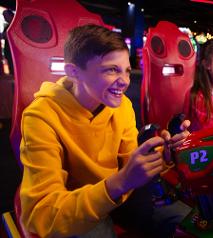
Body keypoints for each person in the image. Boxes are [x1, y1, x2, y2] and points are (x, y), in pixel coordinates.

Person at [19, 24, 190, 238]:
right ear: (73, 72)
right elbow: (42, 214)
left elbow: (130, 168)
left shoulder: (122, 105)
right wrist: (120, 183)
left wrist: (164, 156)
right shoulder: (40, 116)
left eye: (127, 71)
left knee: (187, 221)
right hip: (73, 206)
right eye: (112, 69)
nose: (125, 81)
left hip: (115, 195)